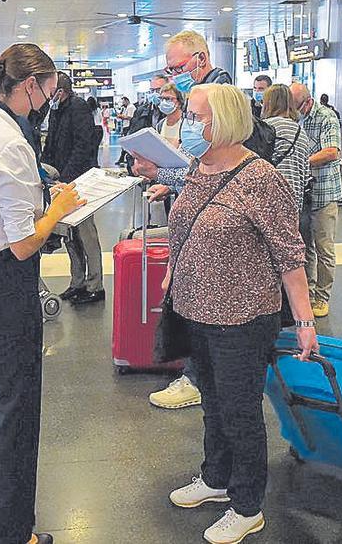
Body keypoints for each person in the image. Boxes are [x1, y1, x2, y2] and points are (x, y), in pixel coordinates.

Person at [160, 84, 317, 544]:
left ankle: (247, 505)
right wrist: (174, 268)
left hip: (243, 318)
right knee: (212, 402)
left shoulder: (261, 178)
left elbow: (290, 255)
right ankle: (215, 478)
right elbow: (185, 224)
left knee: (239, 410)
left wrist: (305, 322)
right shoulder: (198, 166)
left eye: (196, 116)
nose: (188, 125)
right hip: (195, 310)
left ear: (223, 121)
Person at [0, 43, 84, 544]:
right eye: (48, 86)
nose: (50, 96)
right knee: (16, 409)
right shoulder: (12, 144)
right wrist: (60, 207)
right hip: (6, 282)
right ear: (30, 85)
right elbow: (25, 243)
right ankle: (10, 532)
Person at [131, 29, 237, 411]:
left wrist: (161, 173)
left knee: (205, 305)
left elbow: (207, 176)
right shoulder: (209, 93)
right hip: (199, 222)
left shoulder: (219, 95)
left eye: (177, 67)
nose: (173, 75)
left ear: (201, 59)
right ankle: (199, 375)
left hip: (215, 230)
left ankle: (198, 378)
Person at [42, 71, 105, 305]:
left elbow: (82, 147)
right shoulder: (57, 110)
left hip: (79, 180)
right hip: (61, 182)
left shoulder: (78, 108)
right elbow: (51, 143)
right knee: (69, 234)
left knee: (86, 233)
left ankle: (95, 285)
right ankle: (77, 282)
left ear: (62, 90)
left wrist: (67, 178)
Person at [290, 82, 342, 319]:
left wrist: (303, 161)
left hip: (324, 193)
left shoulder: (326, 117)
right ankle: (308, 294)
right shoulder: (295, 119)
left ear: (308, 102)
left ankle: (322, 297)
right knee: (305, 248)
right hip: (304, 194)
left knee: (324, 249)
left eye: (297, 106)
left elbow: (332, 151)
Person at [260, 85, 316, 211]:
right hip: (294, 202)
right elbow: (305, 173)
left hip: (269, 201)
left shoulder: (266, 128)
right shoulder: (301, 132)